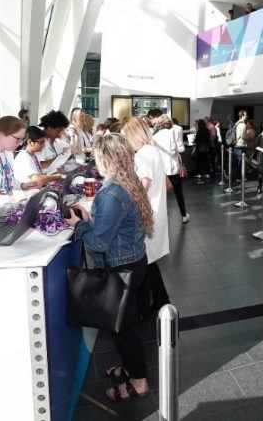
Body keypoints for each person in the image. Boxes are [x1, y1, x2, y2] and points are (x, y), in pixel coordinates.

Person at [64, 133, 152, 402]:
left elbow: (99, 243)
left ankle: (138, 382)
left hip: (120, 267)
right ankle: (130, 368)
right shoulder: (128, 181)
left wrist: (77, 226)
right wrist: (92, 218)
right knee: (128, 322)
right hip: (135, 261)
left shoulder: (111, 192)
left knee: (123, 328)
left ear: (104, 158)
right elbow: (113, 228)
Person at [120, 117, 170, 317]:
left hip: (148, 213)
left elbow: (143, 186)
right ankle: (159, 299)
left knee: (145, 262)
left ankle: (149, 305)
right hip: (155, 211)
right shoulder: (153, 150)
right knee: (149, 262)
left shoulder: (143, 154)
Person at [152, 115, 189, 223]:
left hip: (161, 169)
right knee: (178, 192)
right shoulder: (173, 133)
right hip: (173, 168)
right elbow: (180, 149)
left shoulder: (155, 137)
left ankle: (160, 217)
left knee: (161, 193)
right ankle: (183, 215)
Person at [232, 110, 248, 180]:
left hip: (236, 144)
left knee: (236, 162)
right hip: (241, 145)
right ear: (242, 116)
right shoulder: (243, 125)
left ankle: (233, 175)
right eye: (246, 115)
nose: (247, 116)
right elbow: (243, 136)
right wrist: (247, 137)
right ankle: (239, 177)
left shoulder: (237, 123)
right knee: (240, 162)